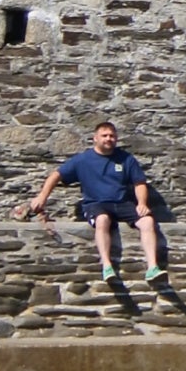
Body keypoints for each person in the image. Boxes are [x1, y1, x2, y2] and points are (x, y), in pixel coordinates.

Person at [16, 121, 166, 285]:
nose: (109, 139)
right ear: (95, 138)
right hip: (96, 204)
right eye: (105, 136)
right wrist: (42, 197)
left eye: (112, 136)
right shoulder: (83, 160)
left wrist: (142, 203)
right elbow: (56, 175)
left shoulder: (126, 159)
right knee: (102, 220)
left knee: (147, 221)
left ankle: (152, 267)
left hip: (121, 203)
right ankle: (107, 265)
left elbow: (139, 183)